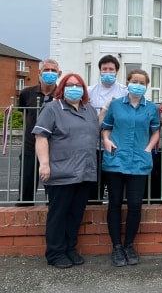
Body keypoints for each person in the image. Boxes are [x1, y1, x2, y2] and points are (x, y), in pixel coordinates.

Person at [32, 73, 98, 268]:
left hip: (84, 171)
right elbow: (41, 137)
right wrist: (44, 163)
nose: (74, 88)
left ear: (84, 90)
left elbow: (96, 131)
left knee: (75, 214)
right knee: (59, 214)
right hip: (61, 172)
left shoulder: (89, 110)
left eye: (78, 85)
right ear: (62, 88)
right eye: (70, 85)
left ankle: (70, 248)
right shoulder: (52, 108)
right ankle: (55, 252)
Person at [101, 69, 160, 267]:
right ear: (128, 82)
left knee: (135, 205)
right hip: (116, 160)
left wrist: (148, 149)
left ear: (146, 85)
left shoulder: (151, 108)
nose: (138, 84)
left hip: (139, 161)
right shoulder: (116, 105)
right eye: (134, 81)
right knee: (115, 203)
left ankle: (129, 245)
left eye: (142, 82)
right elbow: (106, 126)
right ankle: (117, 247)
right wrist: (106, 141)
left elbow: (155, 132)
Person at [16, 59, 62, 205]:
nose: (50, 73)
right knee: (26, 189)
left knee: (54, 191)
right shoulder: (26, 93)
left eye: (53, 71)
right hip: (30, 147)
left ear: (59, 74)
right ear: (39, 73)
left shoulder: (63, 94)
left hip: (55, 148)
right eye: (46, 70)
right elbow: (24, 113)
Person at [88, 55, 128, 202]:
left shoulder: (124, 91)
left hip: (116, 147)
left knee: (115, 188)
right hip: (95, 147)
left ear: (116, 71)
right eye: (104, 69)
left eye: (111, 69)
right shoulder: (90, 91)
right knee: (95, 188)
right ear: (99, 71)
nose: (108, 72)